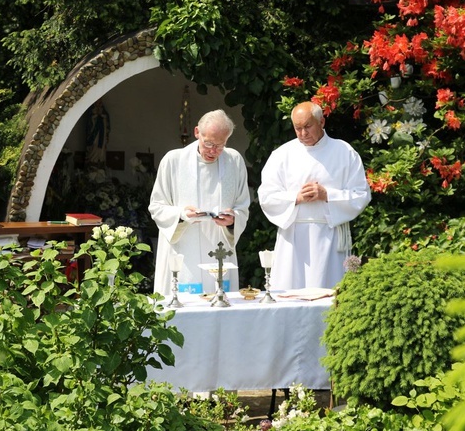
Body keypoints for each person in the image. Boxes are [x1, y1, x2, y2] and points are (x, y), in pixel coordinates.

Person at [258, 101, 370, 291]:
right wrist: (295, 198)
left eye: (307, 126)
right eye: (297, 128)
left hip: (330, 236)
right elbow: (266, 196)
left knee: (328, 293)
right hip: (292, 239)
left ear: (322, 122)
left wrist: (328, 195)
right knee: (289, 293)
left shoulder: (344, 152)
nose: (303, 134)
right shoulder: (282, 155)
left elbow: (361, 195)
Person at [149, 109, 250, 296]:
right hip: (184, 248)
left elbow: (243, 205)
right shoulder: (173, 160)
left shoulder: (234, 161)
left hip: (219, 246)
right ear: (197, 132)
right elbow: (156, 206)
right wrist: (181, 215)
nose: (214, 151)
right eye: (209, 143)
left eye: (220, 146)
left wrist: (233, 220)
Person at [86, 99, 111, 165]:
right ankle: (92, 160)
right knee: (94, 144)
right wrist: (95, 115)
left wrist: (102, 115)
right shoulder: (91, 111)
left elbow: (107, 121)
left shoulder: (104, 111)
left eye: (100, 102)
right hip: (94, 133)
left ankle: (100, 160)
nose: (99, 104)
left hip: (101, 132)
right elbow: (89, 122)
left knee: (101, 146)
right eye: (97, 102)